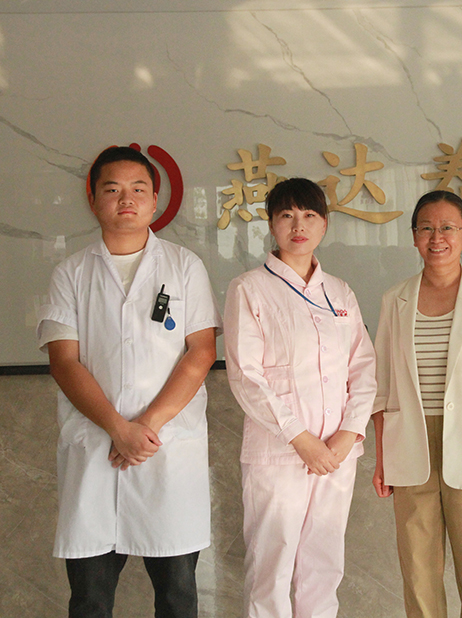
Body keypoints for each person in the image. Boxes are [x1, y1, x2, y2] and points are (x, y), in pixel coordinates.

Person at [36, 146, 221, 618]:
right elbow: (64, 362)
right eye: (112, 189)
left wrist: (147, 426)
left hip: (167, 449)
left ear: (155, 200)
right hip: (97, 448)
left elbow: (201, 352)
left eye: (138, 189)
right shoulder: (70, 273)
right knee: (90, 601)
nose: (126, 199)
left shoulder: (184, 266)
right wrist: (118, 428)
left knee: (178, 598)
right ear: (93, 199)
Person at [224, 177, 376, 618]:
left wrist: (348, 434)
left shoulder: (340, 292)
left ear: (324, 224)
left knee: (323, 564)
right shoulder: (250, 288)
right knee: (271, 565)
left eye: (309, 215)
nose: (298, 226)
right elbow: (247, 377)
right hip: (279, 453)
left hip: (337, 454)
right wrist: (300, 438)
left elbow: (363, 367)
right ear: (271, 224)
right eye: (287, 215)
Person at [371, 190, 462, 618]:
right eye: (427, 228)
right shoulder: (395, 299)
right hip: (409, 444)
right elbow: (382, 386)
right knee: (418, 574)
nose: (437, 238)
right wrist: (381, 458)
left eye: (448, 228)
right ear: (414, 236)